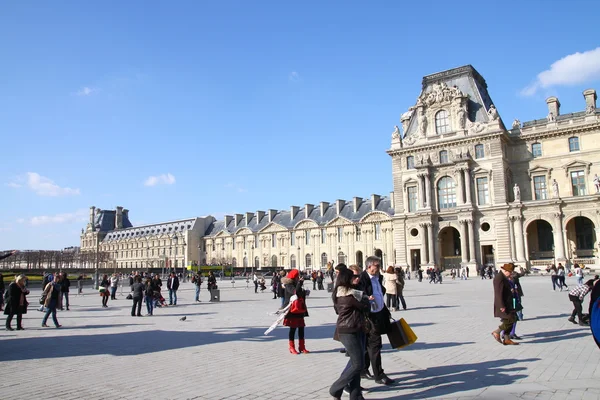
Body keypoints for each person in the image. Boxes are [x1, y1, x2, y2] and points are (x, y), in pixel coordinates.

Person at [329, 267, 370, 400]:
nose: (356, 279)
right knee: (358, 364)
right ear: (347, 279)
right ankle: (336, 388)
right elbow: (366, 306)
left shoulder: (342, 293)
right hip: (349, 330)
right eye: (353, 277)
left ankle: (356, 395)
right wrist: (365, 298)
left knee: (355, 362)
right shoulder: (350, 296)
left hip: (355, 328)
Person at [360, 256, 393, 385]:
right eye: (377, 266)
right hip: (369, 317)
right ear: (369, 266)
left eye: (379, 266)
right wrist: (367, 298)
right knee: (375, 345)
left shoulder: (378, 277)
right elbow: (358, 294)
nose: (379, 268)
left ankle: (363, 369)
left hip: (379, 314)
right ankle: (378, 375)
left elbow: (380, 292)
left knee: (370, 345)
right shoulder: (362, 278)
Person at [282, 269, 310, 354]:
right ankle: (291, 347)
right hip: (292, 310)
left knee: (301, 328)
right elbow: (296, 292)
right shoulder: (289, 285)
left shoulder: (295, 284)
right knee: (293, 329)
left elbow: (299, 293)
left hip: (299, 309)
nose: (299, 278)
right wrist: (300, 283)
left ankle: (302, 346)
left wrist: (305, 292)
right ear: (294, 277)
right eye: (298, 276)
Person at [491, 263, 518, 345]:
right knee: (511, 319)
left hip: (508, 302)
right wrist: (501, 306)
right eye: (510, 272)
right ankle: (497, 331)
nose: (511, 274)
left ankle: (506, 339)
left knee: (512, 318)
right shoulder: (499, 278)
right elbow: (498, 293)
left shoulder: (503, 277)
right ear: (505, 271)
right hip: (503, 304)